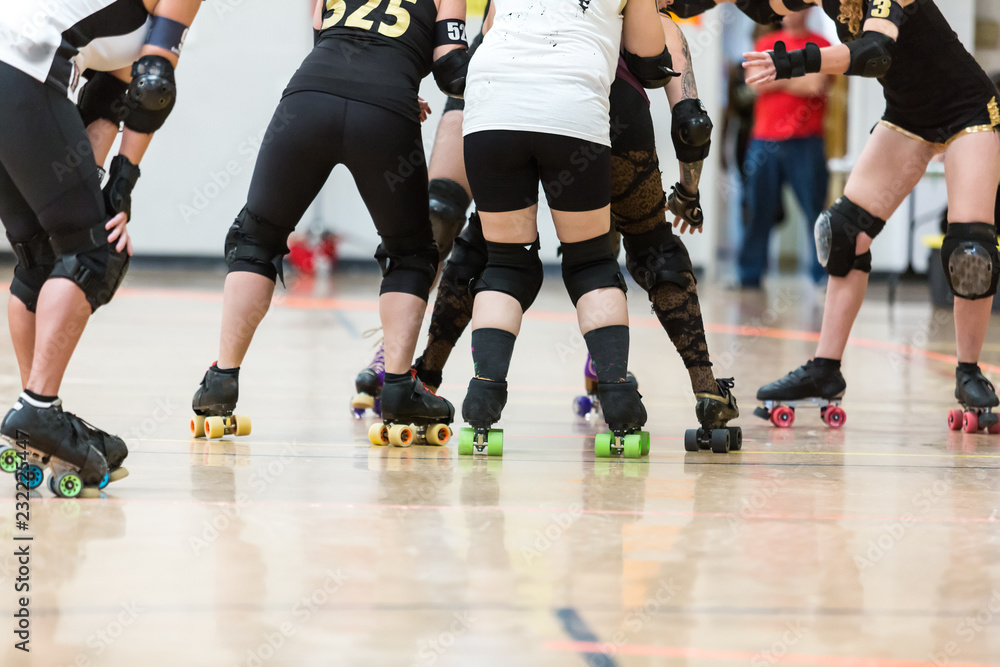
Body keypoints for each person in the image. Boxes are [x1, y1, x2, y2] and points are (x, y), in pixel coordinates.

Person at [413, 4, 741, 454]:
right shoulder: (661, 16)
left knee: (493, 253)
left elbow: (464, 65)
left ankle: (435, 381)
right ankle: (699, 391)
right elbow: (690, 121)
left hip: (497, 99)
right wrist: (688, 191)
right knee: (631, 251)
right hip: (599, 106)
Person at [672, 0, 999, 430]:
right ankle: (825, 369)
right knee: (843, 234)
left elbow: (873, 53)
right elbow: (761, 5)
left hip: (967, 112)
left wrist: (792, 61)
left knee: (970, 253)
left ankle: (968, 372)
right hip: (908, 118)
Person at [191, 0, 471, 446]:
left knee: (255, 239)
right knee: (412, 253)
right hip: (383, 113)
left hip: (308, 99)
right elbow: (452, 70)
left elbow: (335, 39)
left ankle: (222, 379)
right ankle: (399, 387)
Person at [457, 0, 676, 457]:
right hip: (570, 103)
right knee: (591, 261)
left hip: (492, 100)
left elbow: (488, 31)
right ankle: (617, 396)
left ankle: (482, 398)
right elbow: (652, 62)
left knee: (506, 263)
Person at [0, 0, 199, 496]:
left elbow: (114, 95)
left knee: (44, 255)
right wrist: (120, 188)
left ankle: (39, 419)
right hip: (24, 68)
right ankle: (39, 411)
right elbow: (153, 86)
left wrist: (104, 191)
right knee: (96, 253)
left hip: (18, 71)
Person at [737, 9, 831, 288]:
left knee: (816, 214)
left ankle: (823, 276)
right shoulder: (766, 44)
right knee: (757, 211)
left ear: (809, 8)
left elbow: (816, 85)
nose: (791, 10)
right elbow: (754, 83)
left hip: (807, 141)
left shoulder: (821, 45)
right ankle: (749, 276)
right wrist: (797, 76)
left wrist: (775, 75)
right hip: (764, 141)